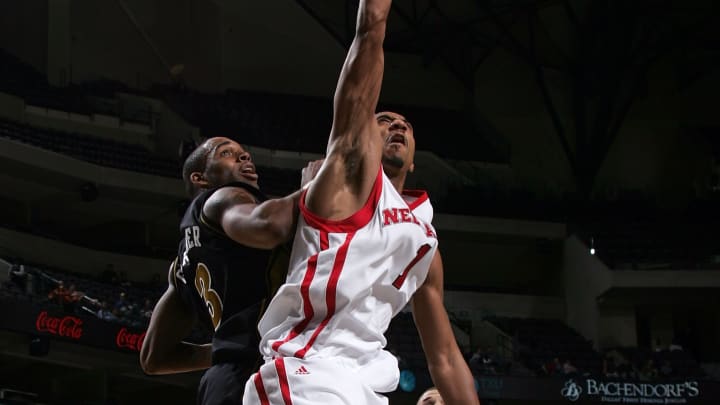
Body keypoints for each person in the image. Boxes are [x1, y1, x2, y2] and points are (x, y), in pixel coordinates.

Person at [242, 0, 478, 403]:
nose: (398, 124)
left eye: (406, 124)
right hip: (307, 369)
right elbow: (370, 33)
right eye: (385, 120)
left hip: (363, 385)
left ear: (417, 159)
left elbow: (444, 356)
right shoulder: (347, 178)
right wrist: (375, 16)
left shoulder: (425, 240)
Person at [139, 136, 320, 405]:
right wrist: (315, 191)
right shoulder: (224, 197)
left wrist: (231, 346)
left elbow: (154, 358)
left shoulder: (181, 265)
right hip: (262, 377)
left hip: (223, 380)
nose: (244, 157)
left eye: (245, 154)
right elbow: (269, 226)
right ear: (201, 178)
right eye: (227, 153)